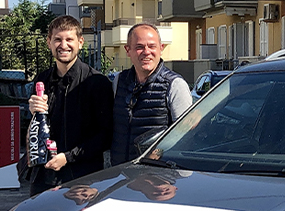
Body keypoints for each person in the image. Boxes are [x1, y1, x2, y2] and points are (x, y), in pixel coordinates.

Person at [27, 15, 114, 196]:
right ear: (49, 42)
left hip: (83, 178)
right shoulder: (42, 80)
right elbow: (35, 131)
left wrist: (68, 157)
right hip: (43, 177)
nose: (63, 45)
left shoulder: (96, 82)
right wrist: (34, 113)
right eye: (58, 39)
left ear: (80, 42)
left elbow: (106, 135)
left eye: (69, 39)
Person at [110, 23, 192, 165]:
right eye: (139, 47)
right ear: (128, 50)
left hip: (157, 173)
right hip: (121, 171)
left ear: (161, 48)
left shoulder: (175, 85)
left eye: (152, 46)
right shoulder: (119, 81)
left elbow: (185, 136)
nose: (146, 52)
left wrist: (158, 153)